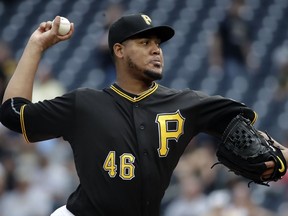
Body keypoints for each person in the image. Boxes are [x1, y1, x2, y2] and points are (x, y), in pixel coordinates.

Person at [0, 14, 287, 216]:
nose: (156, 50)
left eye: (158, 44)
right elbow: (13, 113)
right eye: (145, 42)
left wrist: (282, 154)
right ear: (119, 50)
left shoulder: (187, 103)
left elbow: (247, 131)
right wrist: (36, 46)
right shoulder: (84, 104)